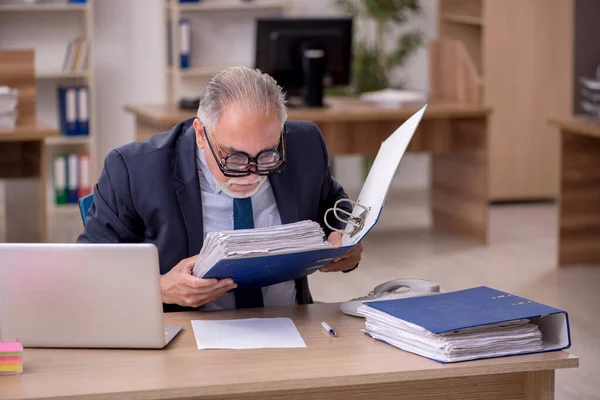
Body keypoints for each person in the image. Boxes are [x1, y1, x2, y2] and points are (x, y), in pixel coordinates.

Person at [77, 66, 362, 312]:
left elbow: (333, 203)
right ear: (201, 134)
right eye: (234, 158)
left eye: (267, 155)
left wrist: (346, 237)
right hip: (187, 338)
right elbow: (91, 269)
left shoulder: (305, 143)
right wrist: (159, 287)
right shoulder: (134, 169)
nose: (251, 173)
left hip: (292, 323)